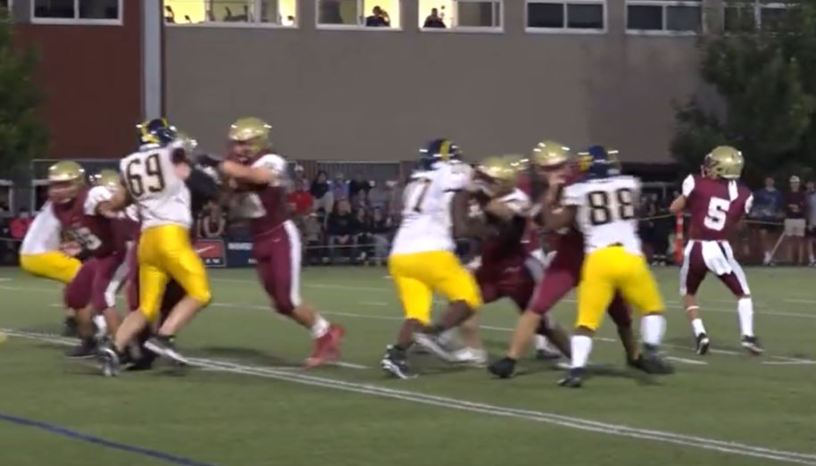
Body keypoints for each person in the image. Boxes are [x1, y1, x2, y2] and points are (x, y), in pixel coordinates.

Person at [488, 143, 641, 380]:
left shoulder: (581, 181)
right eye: (548, 168)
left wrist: (550, 197)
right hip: (569, 257)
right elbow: (536, 218)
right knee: (538, 304)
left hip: (595, 256)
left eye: (558, 166)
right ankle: (510, 359)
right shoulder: (531, 187)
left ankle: (635, 356)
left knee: (620, 311)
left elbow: (554, 223)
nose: (555, 172)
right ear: (537, 169)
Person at [211, 117, 344, 367]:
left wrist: (223, 167)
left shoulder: (270, 160)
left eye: (244, 143)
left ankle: (325, 335)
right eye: (236, 143)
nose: (239, 148)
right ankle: (327, 331)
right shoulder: (236, 166)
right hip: (258, 238)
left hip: (279, 235)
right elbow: (227, 200)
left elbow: (259, 176)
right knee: (280, 305)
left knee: (289, 300)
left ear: (258, 142)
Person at [97, 118, 212, 376]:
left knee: (146, 307)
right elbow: (203, 185)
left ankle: (114, 348)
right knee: (200, 293)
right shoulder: (172, 155)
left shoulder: (129, 163)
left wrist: (107, 207)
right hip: (171, 235)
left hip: (147, 240)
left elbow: (120, 201)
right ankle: (164, 337)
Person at [380, 138, 482, 379]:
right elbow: (462, 197)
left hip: (400, 255)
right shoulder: (451, 173)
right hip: (432, 251)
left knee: (416, 314)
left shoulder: (414, 183)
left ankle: (396, 356)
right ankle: (435, 335)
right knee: (468, 299)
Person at [669, 146, 761, 355]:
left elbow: (674, 208)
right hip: (719, 247)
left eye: (712, 163)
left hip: (696, 248)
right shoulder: (744, 194)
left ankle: (700, 333)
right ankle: (747, 335)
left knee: (689, 294)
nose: (708, 166)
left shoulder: (696, 183)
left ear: (722, 168)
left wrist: (694, 204)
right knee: (743, 293)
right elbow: (736, 223)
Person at [50, 166, 135, 358]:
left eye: (64, 184)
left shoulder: (93, 194)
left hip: (118, 253)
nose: (58, 189)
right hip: (99, 255)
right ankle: (89, 341)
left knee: (103, 297)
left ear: (77, 183)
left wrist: (109, 210)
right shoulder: (58, 207)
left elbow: (109, 209)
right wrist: (80, 247)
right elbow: (91, 231)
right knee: (75, 295)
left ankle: (123, 348)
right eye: (55, 185)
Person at [751, 176, 783, 265]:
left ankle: (772, 255)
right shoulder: (760, 193)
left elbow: (780, 207)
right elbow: (753, 204)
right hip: (763, 219)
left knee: (772, 237)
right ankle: (767, 254)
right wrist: (755, 212)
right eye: (767, 181)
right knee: (763, 236)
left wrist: (780, 214)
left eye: (771, 180)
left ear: (773, 182)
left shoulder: (777, 194)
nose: (769, 182)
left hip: (773, 219)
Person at [784, 175, 807, 265]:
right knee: (790, 239)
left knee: (800, 240)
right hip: (789, 218)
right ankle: (790, 259)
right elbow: (785, 205)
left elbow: (804, 206)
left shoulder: (802, 194)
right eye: (792, 183)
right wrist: (793, 207)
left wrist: (797, 207)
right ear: (790, 184)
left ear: (799, 184)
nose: (794, 184)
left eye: (796, 183)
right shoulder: (787, 194)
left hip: (800, 219)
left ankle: (800, 260)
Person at [806, 180, 816, 265]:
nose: (810, 186)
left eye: (811, 184)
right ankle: (811, 259)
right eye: (808, 184)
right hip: (810, 222)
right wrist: (809, 222)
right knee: (809, 240)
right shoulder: (805, 196)